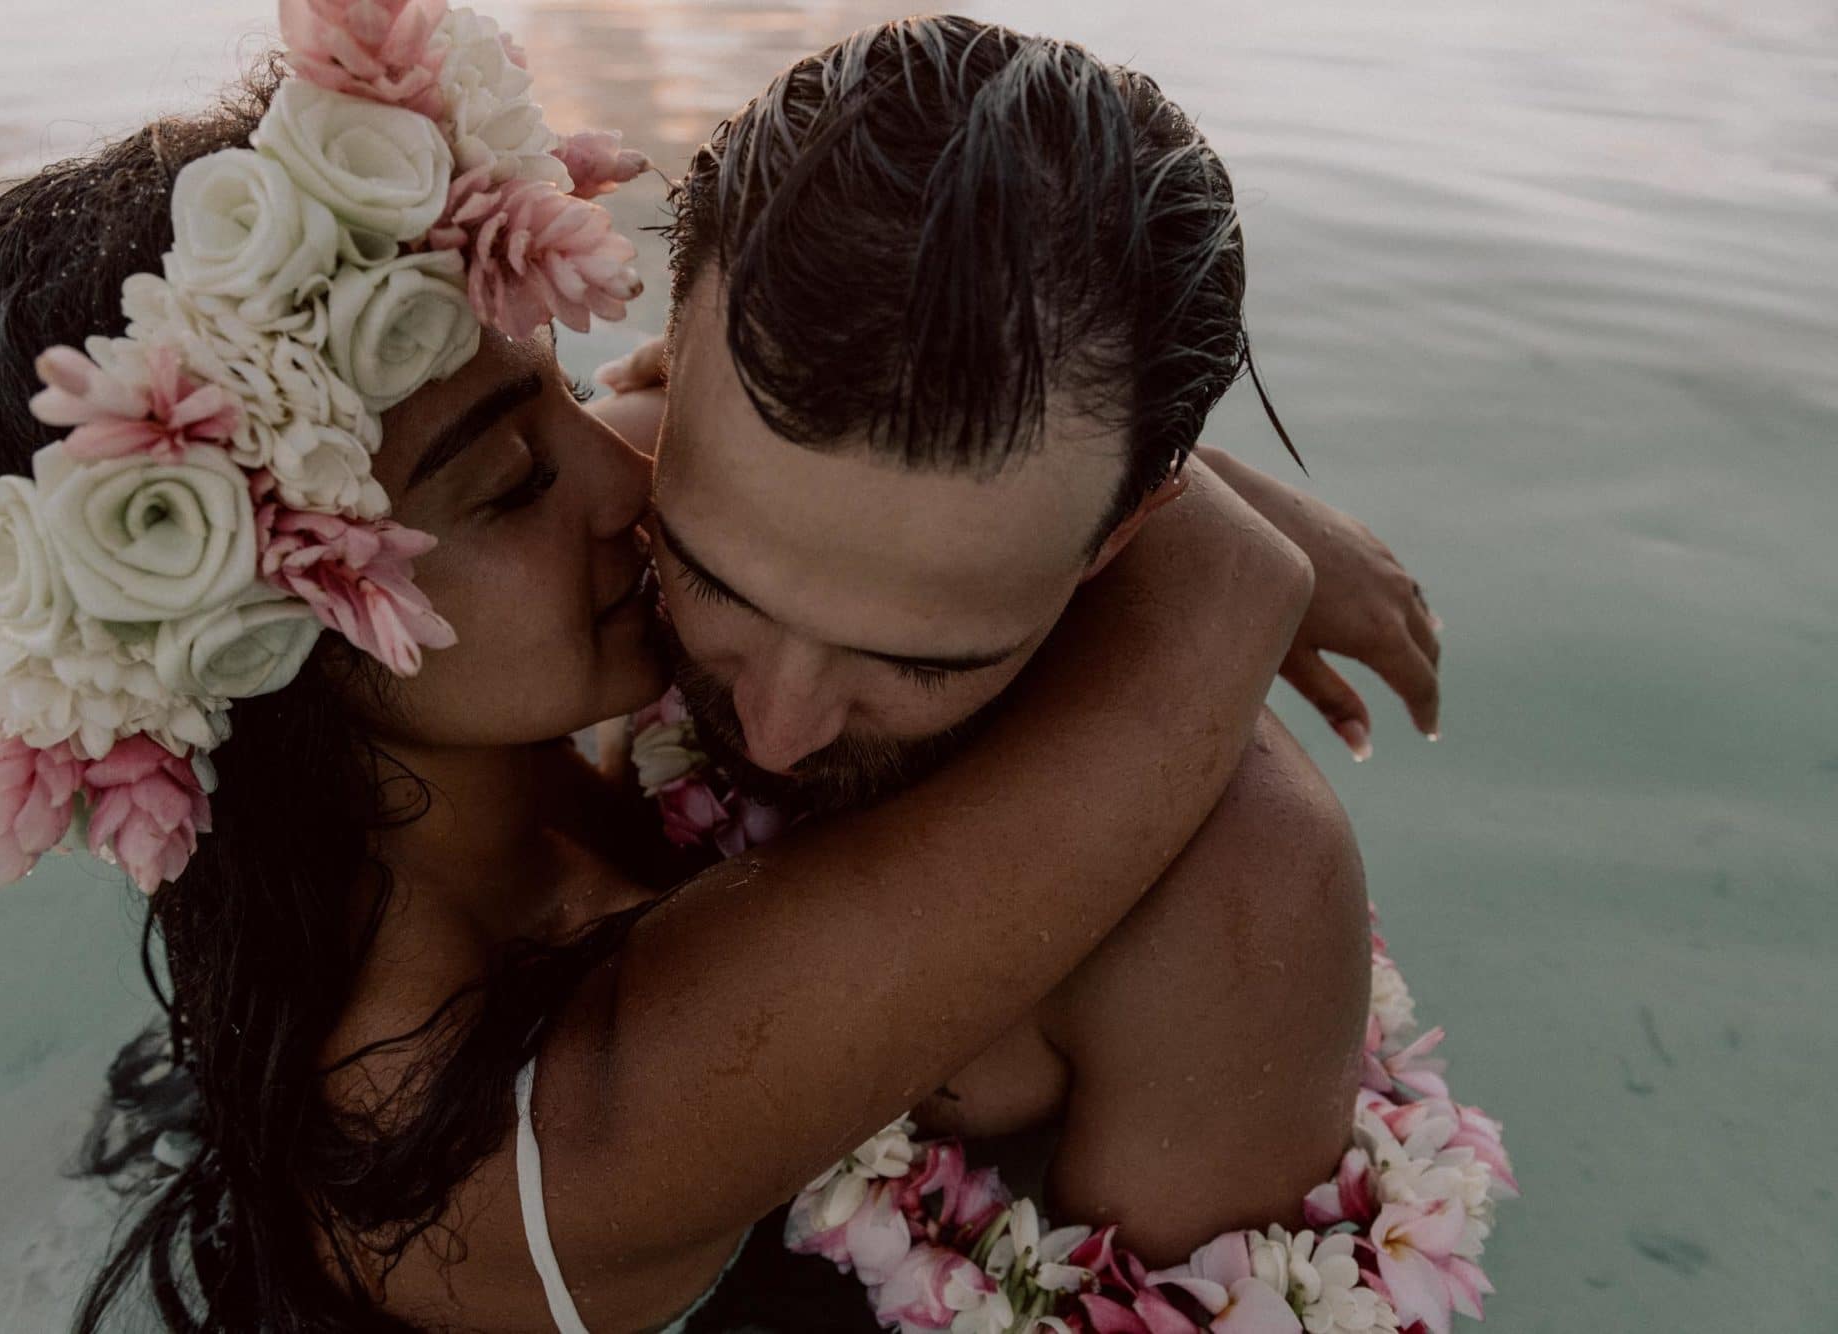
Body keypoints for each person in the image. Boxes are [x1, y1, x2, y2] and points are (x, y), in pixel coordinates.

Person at [0, 13, 1332, 1334]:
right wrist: (1206, 511)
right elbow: (1238, 582)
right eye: (522, 472)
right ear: (269, 621)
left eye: (567, 387)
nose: (624, 470)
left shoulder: (445, 799)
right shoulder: (536, 1122)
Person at [592, 15, 1442, 1267]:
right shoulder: (563, 519)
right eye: (714, 582)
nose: (776, 722)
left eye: (920, 658)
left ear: (1118, 539)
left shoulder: (1232, 905)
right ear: (674, 383)